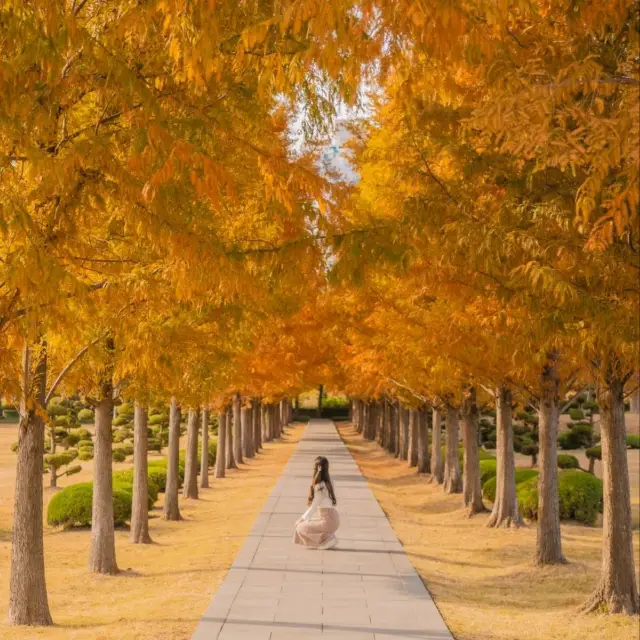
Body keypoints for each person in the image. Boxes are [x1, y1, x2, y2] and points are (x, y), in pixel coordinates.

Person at [293, 456, 339, 549]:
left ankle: (325, 541)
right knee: (311, 522)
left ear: (317, 469)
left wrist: (301, 519)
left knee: (300, 528)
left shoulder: (319, 487)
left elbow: (314, 507)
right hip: (334, 519)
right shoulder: (330, 482)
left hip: (328, 521)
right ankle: (328, 538)